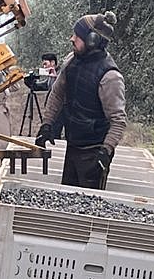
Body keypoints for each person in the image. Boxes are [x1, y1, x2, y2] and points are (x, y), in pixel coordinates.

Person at [35, 11, 126, 189]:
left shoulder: (110, 77)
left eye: (77, 35)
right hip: (73, 145)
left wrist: (105, 152)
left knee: (87, 209)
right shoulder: (71, 60)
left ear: (92, 40)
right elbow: (57, 94)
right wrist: (47, 125)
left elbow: (118, 121)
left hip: (94, 152)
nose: (72, 39)